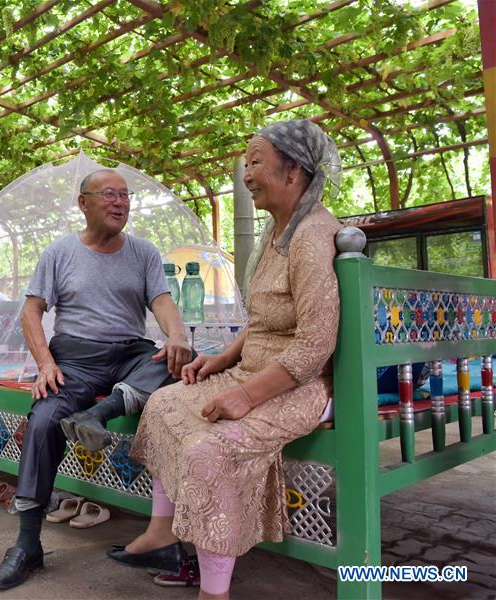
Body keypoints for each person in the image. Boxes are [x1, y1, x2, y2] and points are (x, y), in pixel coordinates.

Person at [112, 119, 342, 600]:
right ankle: (161, 530)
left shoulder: (313, 235)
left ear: (294, 171)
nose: (247, 173)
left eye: (256, 162)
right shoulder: (277, 233)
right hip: (253, 370)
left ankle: (214, 590)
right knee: (164, 404)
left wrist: (246, 395)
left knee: (207, 450)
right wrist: (220, 360)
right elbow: (262, 322)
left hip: (297, 386)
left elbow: (315, 343)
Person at [0, 169, 192, 590]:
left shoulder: (144, 252)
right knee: (44, 420)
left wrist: (176, 335)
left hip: (128, 352)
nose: (121, 203)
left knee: (176, 362)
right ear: (83, 203)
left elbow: (163, 301)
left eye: (125, 196)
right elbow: (30, 313)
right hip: (75, 356)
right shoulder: (59, 252)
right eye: (109, 195)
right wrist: (46, 364)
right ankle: (27, 544)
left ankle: (99, 413)